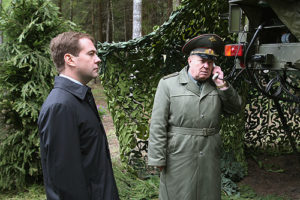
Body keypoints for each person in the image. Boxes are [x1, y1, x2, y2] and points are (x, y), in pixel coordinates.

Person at [148, 34, 243, 200]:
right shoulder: (168, 84)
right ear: (190, 60)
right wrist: (157, 158)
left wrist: (222, 84)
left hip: (209, 154)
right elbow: (158, 123)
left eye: (210, 62)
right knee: (178, 194)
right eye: (202, 60)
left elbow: (235, 108)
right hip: (179, 153)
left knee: (208, 195)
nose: (206, 66)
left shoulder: (217, 84)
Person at [38, 32, 119, 200]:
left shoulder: (78, 99)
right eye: (91, 54)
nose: (98, 59)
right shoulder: (61, 106)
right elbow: (65, 184)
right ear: (70, 59)